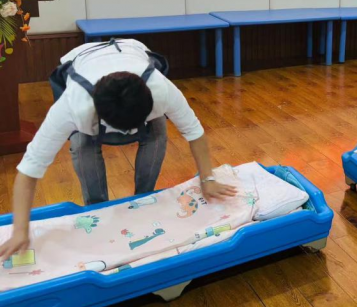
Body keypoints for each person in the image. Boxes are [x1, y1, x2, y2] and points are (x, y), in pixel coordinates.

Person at [0, 39, 236, 262]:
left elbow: (194, 132)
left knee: (157, 133)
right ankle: (97, 207)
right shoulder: (73, 105)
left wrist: (208, 178)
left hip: (130, 51)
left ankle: (144, 198)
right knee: (82, 145)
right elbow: (29, 169)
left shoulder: (160, 89)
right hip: (84, 60)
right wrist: (20, 230)